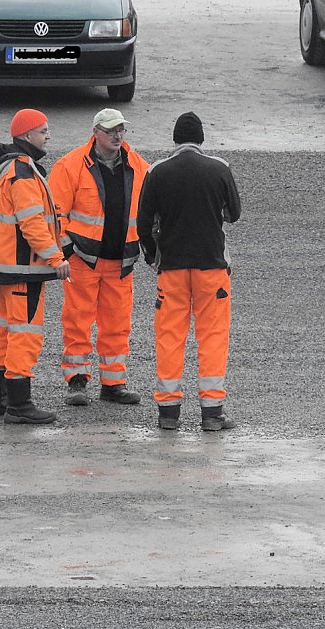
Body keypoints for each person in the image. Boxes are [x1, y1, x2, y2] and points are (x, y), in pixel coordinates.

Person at [137, 112, 242, 431]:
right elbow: (234, 214)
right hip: (212, 268)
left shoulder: (157, 171)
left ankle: (168, 412)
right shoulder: (219, 168)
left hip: (172, 269)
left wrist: (152, 256)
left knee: (170, 337)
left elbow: (143, 222)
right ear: (201, 138)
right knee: (212, 337)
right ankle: (212, 412)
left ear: (175, 139)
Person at [0, 109, 71, 424]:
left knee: (4, 329)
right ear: (27, 135)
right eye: (43, 131)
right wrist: (56, 258)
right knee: (25, 332)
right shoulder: (23, 172)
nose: (48, 136)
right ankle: (18, 404)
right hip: (23, 269)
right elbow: (32, 223)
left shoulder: (8, 167)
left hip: (5, 267)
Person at [49, 108, 150, 406]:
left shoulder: (139, 166)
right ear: (95, 133)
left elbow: (152, 209)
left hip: (121, 261)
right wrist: (67, 249)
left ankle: (113, 383)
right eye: (110, 131)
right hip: (83, 259)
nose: (117, 136)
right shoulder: (70, 166)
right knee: (77, 320)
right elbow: (54, 214)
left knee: (117, 324)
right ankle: (77, 381)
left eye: (121, 130)